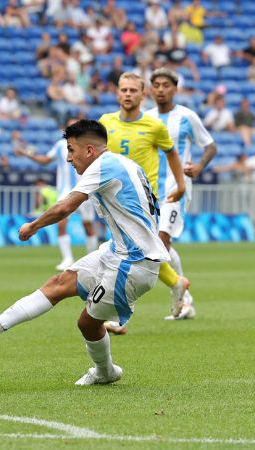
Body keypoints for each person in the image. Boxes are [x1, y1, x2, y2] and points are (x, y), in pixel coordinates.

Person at [0, 120, 169, 386]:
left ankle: (106, 372)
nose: (68, 158)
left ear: (89, 150)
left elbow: (66, 207)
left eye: (71, 150)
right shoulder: (124, 164)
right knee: (58, 283)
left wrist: (33, 226)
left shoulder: (102, 166)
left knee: (87, 324)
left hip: (133, 264)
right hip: (117, 252)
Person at [98, 73, 190, 320]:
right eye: (124, 90)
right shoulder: (105, 122)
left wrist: (181, 184)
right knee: (142, 252)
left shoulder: (153, 126)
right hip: (112, 199)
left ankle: (116, 314)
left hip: (142, 200)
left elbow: (172, 153)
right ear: (117, 93)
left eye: (133, 90)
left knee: (128, 253)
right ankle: (176, 282)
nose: (128, 94)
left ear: (142, 94)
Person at [141, 68, 217, 323]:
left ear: (175, 89)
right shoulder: (146, 119)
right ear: (150, 90)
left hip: (177, 188)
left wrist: (199, 166)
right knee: (159, 245)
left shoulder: (187, 116)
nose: (161, 89)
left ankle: (183, 298)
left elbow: (210, 145)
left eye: (166, 85)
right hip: (151, 190)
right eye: (156, 85)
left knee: (162, 242)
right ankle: (185, 297)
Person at [15, 133, 99, 270]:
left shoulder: (87, 144)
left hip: (85, 188)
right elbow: (45, 160)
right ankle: (67, 259)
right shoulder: (60, 145)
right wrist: (26, 154)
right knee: (61, 224)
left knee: (88, 225)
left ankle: (92, 259)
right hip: (65, 191)